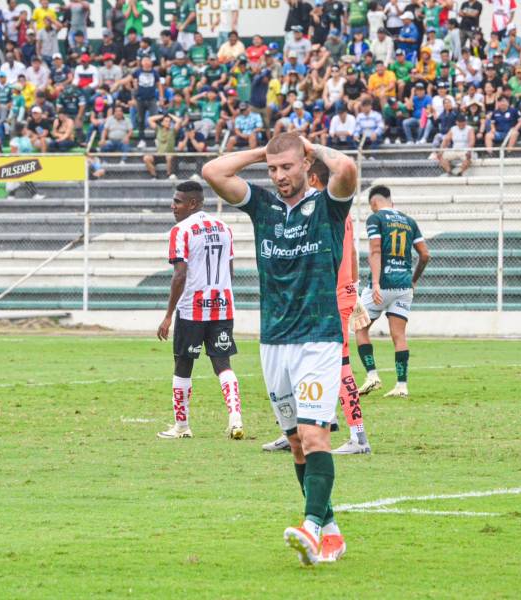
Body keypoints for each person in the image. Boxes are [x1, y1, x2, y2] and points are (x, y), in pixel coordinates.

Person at [202, 132, 357, 565]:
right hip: (274, 341)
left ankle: (309, 526)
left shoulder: (327, 206)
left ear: (306, 167)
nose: (278, 176)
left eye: (286, 168)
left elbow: (346, 170)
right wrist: (265, 152)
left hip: (318, 338)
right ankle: (330, 531)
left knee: (314, 436)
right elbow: (212, 172)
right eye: (272, 170)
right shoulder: (263, 207)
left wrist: (308, 147)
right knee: (294, 443)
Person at [262, 160, 371, 455]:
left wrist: (346, 291)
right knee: (296, 362)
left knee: (342, 364)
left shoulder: (325, 208)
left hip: (330, 296)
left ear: (311, 177)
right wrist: (354, 288)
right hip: (334, 293)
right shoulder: (334, 210)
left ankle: (359, 436)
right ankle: (297, 428)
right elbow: (350, 254)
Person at [156, 181, 244, 439]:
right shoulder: (224, 228)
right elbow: (230, 270)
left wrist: (168, 314)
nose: (173, 206)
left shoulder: (180, 231)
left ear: (192, 203)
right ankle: (235, 419)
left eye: (178, 201)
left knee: (183, 364)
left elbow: (179, 275)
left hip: (192, 309)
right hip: (222, 306)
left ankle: (182, 426)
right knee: (223, 364)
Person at [356, 185, 430, 398]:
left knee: (359, 328)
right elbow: (425, 255)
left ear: (374, 203)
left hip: (382, 284)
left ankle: (372, 376)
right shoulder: (409, 221)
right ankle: (401, 385)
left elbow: (375, 250)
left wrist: (377, 283)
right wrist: (413, 280)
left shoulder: (376, 218)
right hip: (404, 286)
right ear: (391, 202)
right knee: (399, 336)